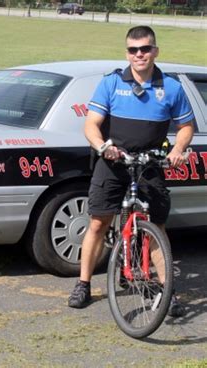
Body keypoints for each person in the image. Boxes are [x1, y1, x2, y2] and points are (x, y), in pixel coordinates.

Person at [68, 26, 194, 317]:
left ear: (155, 51)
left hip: (150, 164)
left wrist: (177, 150)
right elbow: (91, 124)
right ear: (127, 53)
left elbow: (186, 127)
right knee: (98, 223)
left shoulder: (171, 87)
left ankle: (166, 290)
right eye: (133, 50)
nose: (139, 54)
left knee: (156, 228)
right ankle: (83, 284)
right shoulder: (112, 82)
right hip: (113, 162)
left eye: (145, 49)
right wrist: (102, 147)